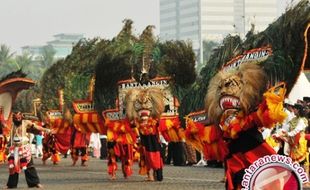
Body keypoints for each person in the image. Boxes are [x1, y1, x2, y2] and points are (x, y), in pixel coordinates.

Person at [6, 112, 51, 189]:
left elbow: (36, 127)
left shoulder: (26, 122)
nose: (17, 119)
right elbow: (11, 136)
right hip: (15, 148)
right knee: (13, 166)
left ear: (21, 117)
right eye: (16, 118)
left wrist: (46, 130)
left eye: (19, 118)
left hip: (24, 147)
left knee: (29, 165)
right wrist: (8, 146)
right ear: (13, 118)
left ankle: (35, 183)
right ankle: (11, 185)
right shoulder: (12, 125)